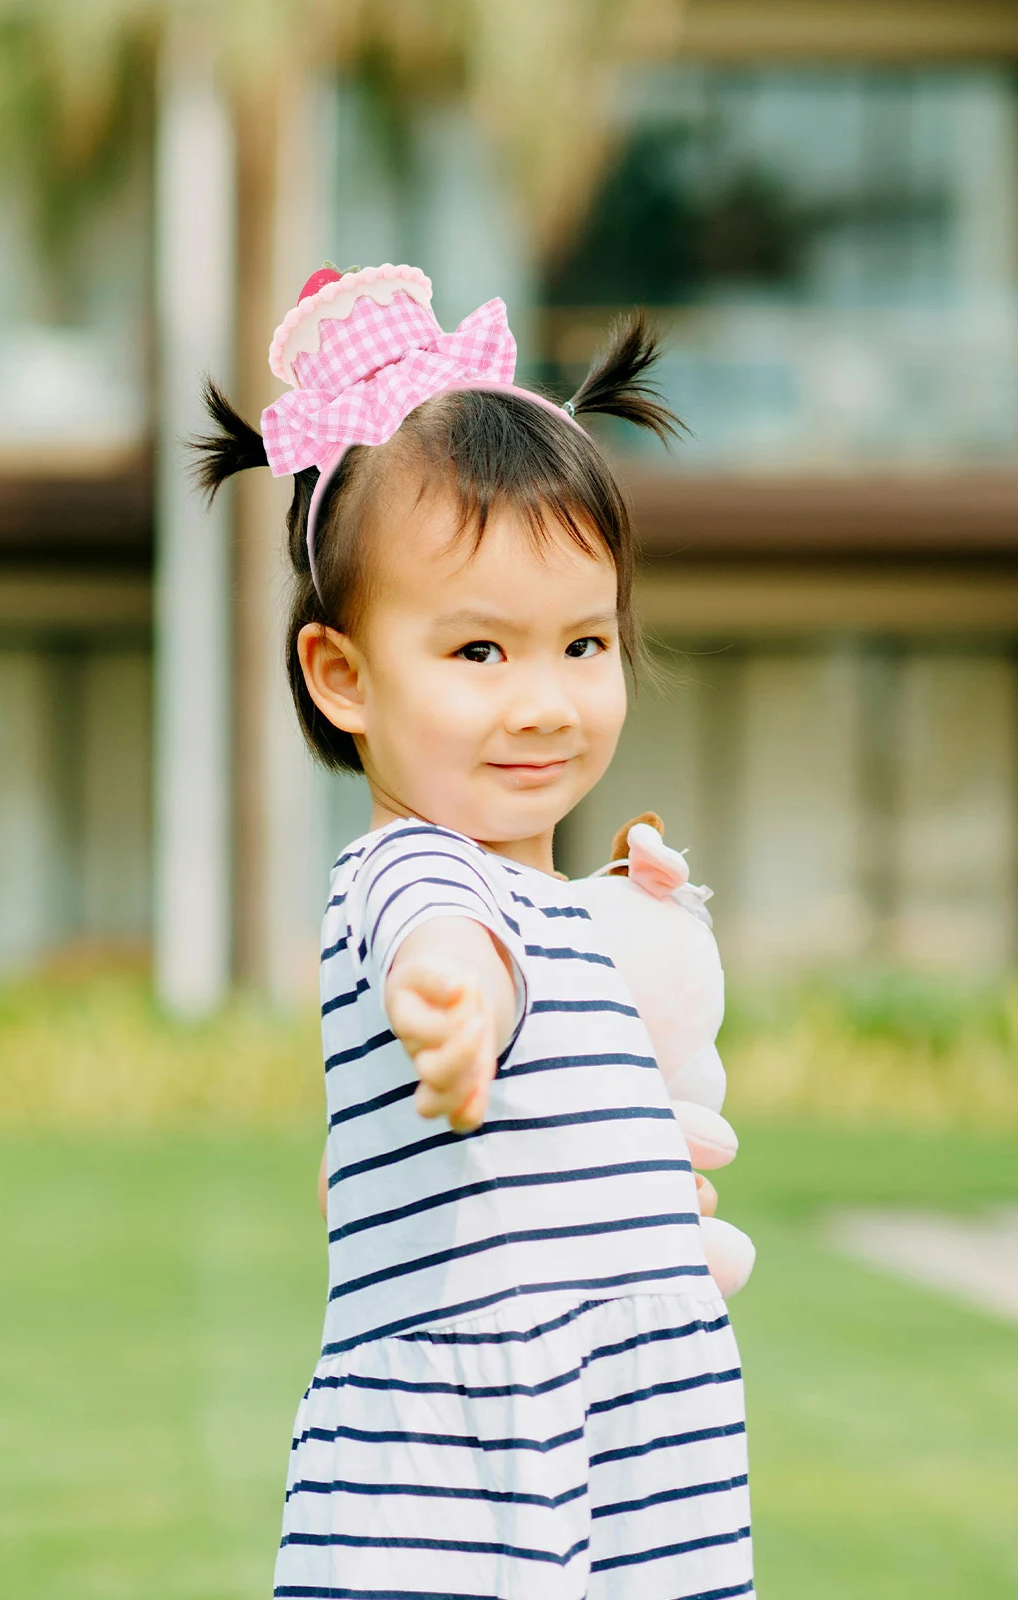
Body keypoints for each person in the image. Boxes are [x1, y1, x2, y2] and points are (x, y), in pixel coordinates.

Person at [194, 263, 752, 1599]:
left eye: (585, 644)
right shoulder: (408, 875)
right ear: (344, 677)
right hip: (457, 1488)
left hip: (641, 1449)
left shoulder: (583, 915)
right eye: (480, 654)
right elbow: (448, 949)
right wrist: (451, 1011)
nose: (547, 701)